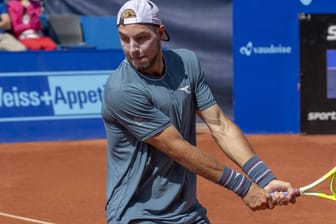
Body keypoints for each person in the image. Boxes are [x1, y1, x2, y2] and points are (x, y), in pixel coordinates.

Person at [101, 0, 296, 223]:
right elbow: (178, 149)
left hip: (187, 213)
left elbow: (219, 125)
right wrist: (244, 188)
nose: (133, 49)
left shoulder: (187, 63)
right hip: (137, 214)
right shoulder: (122, 90)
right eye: (124, 39)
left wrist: (264, 178)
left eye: (142, 38)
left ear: (161, 33)